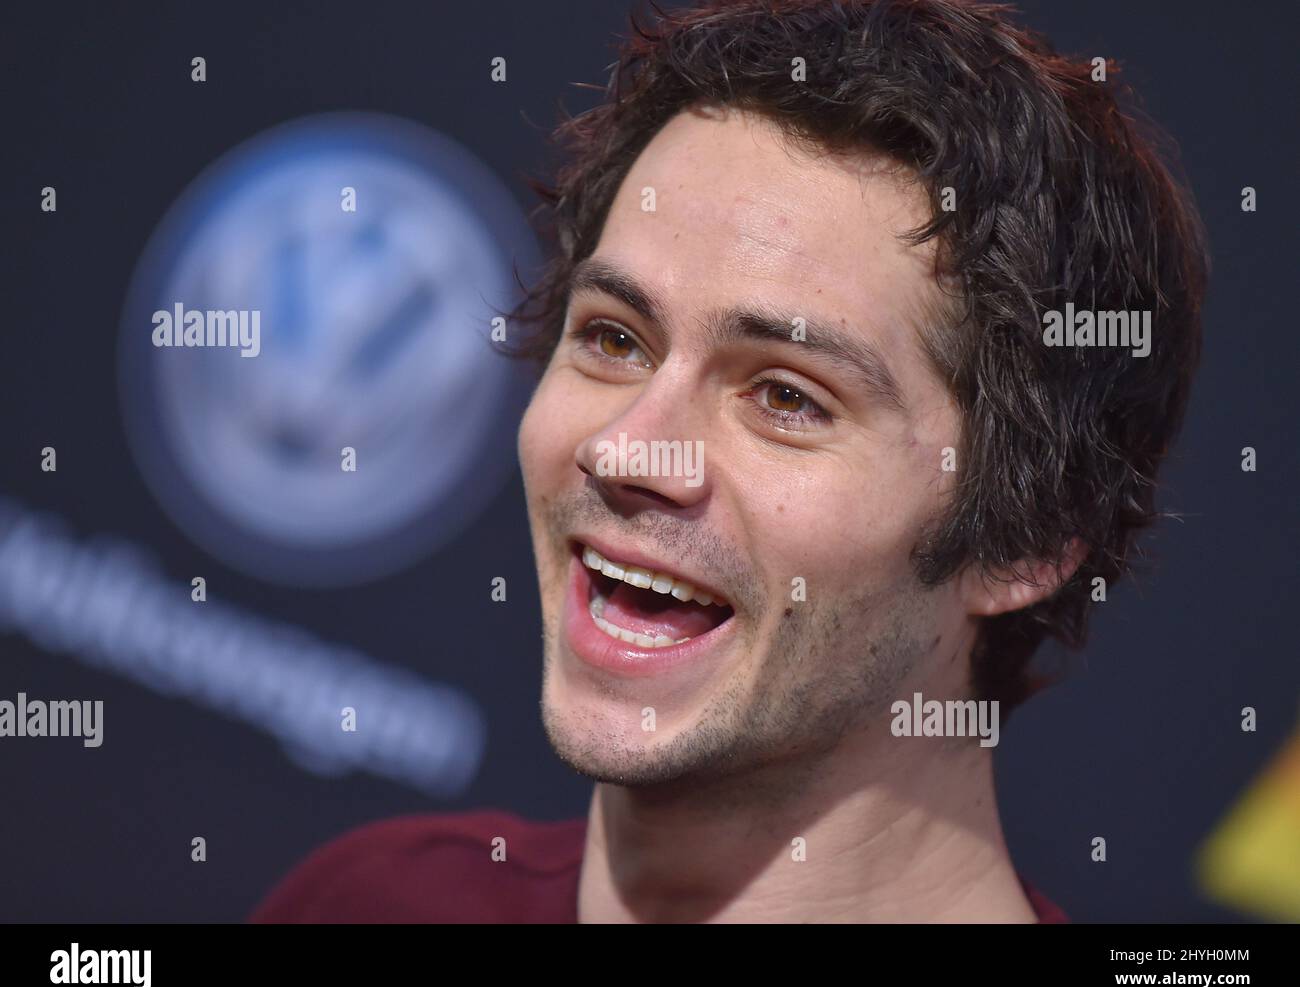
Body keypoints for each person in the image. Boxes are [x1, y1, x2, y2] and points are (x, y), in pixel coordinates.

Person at [251, 0, 1206, 923]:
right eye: (616, 340)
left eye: (788, 397)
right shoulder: (370, 901)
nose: (625, 449)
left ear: (1029, 538)